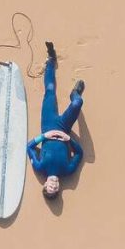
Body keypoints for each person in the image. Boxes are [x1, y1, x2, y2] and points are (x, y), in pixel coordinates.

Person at [27, 40, 85, 198]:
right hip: (64, 128)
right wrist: (68, 139)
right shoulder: (68, 170)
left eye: (50, 187)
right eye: (55, 188)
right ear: (58, 187)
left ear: (45, 184)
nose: (53, 184)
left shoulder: (40, 167)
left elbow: (29, 147)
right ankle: (75, 93)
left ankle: (50, 59)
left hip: (48, 123)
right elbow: (79, 154)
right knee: (78, 103)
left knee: (50, 91)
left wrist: (44, 136)